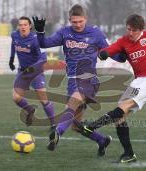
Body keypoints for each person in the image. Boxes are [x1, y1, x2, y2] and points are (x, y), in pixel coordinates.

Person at [81, 14, 146, 163]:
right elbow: (112, 48)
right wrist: (104, 53)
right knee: (120, 115)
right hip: (137, 82)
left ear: (141, 30)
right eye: (128, 29)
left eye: (134, 30)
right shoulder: (124, 40)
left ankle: (92, 126)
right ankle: (129, 154)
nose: (130, 33)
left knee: (124, 106)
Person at [33, 4, 127, 156]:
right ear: (70, 20)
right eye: (74, 22)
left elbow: (109, 51)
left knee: (72, 104)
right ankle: (102, 141)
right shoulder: (64, 33)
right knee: (76, 125)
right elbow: (44, 43)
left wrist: (122, 56)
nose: (77, 25)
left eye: (80, 22)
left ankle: (57, 133)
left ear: (85, 19)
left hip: (89, 79)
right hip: (71, 80)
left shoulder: (96, 33)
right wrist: (40, 32)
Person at [9, 16, 56, 128]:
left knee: (43, 99)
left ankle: (54, 123)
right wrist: (11, 59)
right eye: (20, 25)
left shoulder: (36, 40)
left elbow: (43, 59)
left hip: (36, 72)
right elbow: (13, 45)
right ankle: (30, 109)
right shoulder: (14, 35)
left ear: (30, 26)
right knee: (16, 97)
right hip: (22, 71)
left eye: (25, 25)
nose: (22, 27)